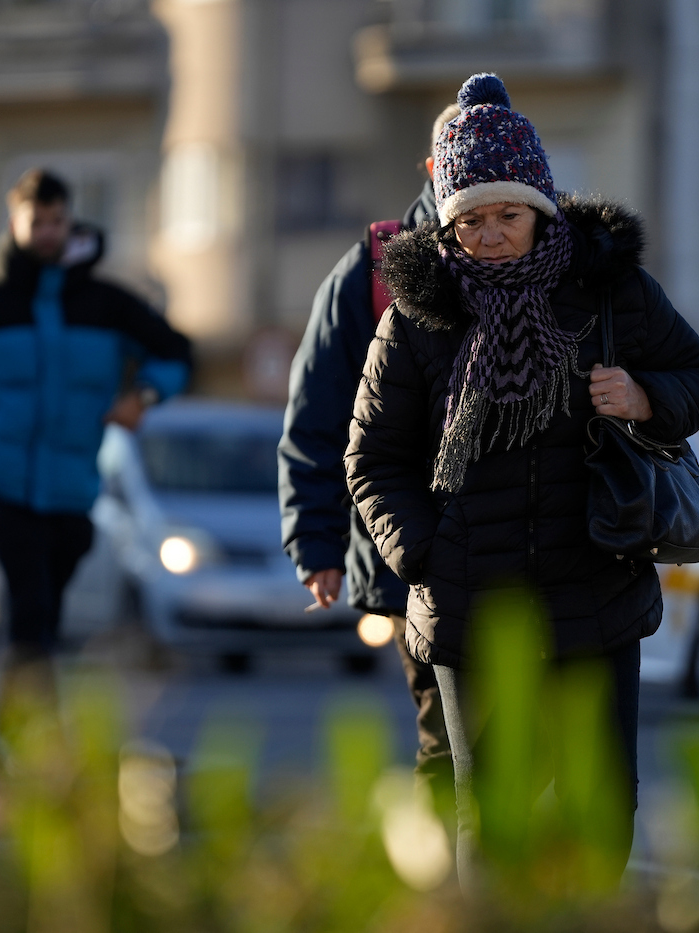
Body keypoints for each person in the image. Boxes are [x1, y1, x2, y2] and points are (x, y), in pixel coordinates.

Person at [344, 74, 699, 881]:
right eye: (470, 219)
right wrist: (422, 551)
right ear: (446, 221)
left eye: (507, 214)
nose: (489, 236)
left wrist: (646, 396)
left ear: (542, 207)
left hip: (597, 587)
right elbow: (371, 456)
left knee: (599, 811)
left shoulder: (609, 292)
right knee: (493, 827)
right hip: (469, 605)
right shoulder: (415, 317)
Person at [0, 169, 191, 704]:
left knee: (48, 609)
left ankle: (28, 731)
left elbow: (176, 352)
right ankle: (26, 723)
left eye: (57, 221)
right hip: (4, 484)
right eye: (38, 222)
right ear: (15, 223)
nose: (49, 232)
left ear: (69, 221)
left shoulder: (107, 305)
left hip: (76, 487)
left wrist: (142, 398)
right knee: (30, 606)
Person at [279, 104, 461, 794]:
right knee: (447, 736)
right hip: (409, 547)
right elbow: (317, 414)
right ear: (430, 169)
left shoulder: (539, 257)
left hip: (523, 550)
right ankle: (455, 891)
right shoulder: (375, 267)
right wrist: (317, 543)